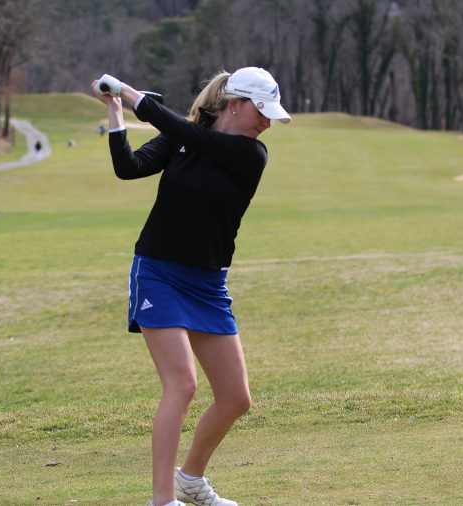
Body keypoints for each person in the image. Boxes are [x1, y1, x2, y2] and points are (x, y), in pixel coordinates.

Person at [91, 67, 290, 506]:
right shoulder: (185, 137)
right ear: (235, 104)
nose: (267, 122)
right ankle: (163, 500)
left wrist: (129, 90)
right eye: (261, 110)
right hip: (159, 273)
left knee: (237, 398)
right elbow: (130, 167)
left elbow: (191, 133)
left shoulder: (250, 153)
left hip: (208, 284)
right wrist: (116, 109)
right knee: (182, 385)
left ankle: (190, 480)